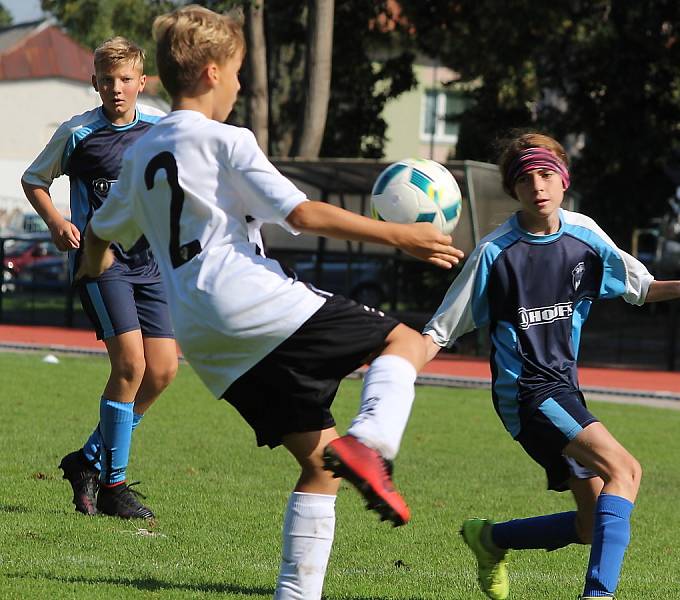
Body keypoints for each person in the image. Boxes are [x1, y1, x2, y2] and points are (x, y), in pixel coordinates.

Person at [75, 6, 463, 599]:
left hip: (203, 339)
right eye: (236, 75)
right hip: (247, 297)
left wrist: (92, 279)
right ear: (210, 73)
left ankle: (297, 592)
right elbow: (303, 214)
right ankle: (375, 442)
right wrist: (401, 236)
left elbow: (100, 233)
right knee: (405, 341)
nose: (237, 87)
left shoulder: (139, 154)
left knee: (319, 460)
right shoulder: (228, 139)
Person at [423, 131, 680, 600]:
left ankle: (490, 539)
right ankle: (598, 596)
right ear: (513, 190)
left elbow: (638, 286)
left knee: (589, 525)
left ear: (563, 182)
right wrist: (392, 366)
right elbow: (439, 331)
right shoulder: (495, 254)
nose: (537, 186)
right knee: (627, 470)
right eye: (525, 179)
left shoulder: (584, 236)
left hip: (563, 389)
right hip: (526, 394)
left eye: (545, 175)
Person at [21, 37, 178, 520]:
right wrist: (55, 222)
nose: (116, 88)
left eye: (126, 79)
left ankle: (87, 460)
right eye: (107, 80)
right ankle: (113, 485)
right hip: (101, 264)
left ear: (141, 83)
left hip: (149, 267)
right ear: (94, 82)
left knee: (163, 371)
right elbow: (34, 180)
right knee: (130, 367)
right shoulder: (78, 134)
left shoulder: (160, 129)